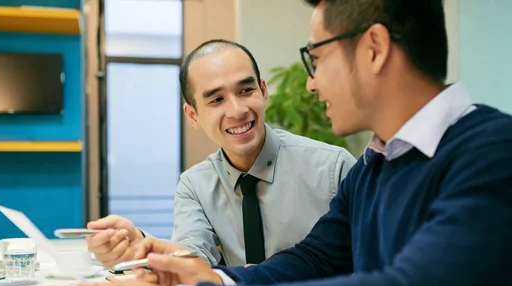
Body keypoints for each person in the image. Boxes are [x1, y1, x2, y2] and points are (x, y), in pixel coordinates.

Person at [76, 0, 512, 286]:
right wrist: (214, 281)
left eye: (317, 58)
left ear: (374, 49)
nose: (310, 81)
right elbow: (314, 261)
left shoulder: (493, 151)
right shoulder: (374, 166)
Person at [86, 39, 355, 267]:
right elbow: (192, 257)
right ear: (192, 115)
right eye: (216, 99)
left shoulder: (333, 169)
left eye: (246, 90)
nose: (237, 110)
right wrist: (143, 248)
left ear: (263, 92)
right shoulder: (195, 186)